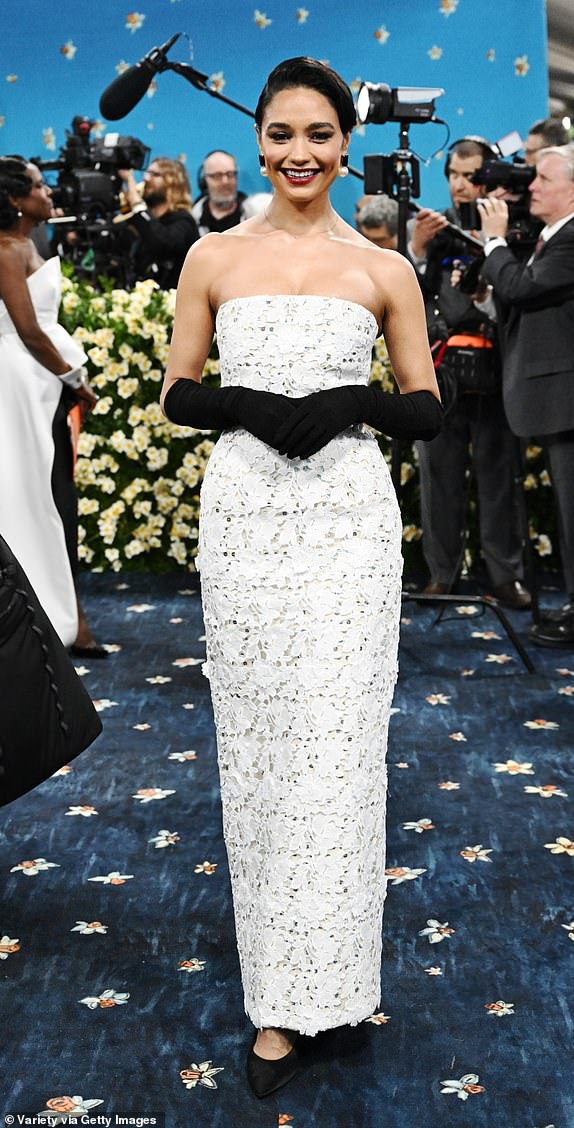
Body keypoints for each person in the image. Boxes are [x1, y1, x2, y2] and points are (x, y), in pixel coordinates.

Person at [160, 56, 442, 1098]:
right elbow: (177, 392)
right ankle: (277, 1005)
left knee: (341, 748)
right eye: (280, 134)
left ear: (344, 142)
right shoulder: (210, 257)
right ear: (259, 139)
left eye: (318, 135)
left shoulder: (384, 268)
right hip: (246, 521)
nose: (297, 154)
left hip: (344, 524)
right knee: (262, 749)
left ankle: (337, 981)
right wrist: (242, 404)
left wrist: (352, 404)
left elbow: (427, 403)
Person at [407, 138, 531, 609]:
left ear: (492, 178)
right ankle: (442, 572)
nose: (461, 185)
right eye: (454, 176)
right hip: (441, 373)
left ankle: (504, 575)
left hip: (499, 369)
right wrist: (415, 250)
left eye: (471, 176)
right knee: (439, 476)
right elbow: (408, 298)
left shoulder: (514, 230)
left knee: (500, 476)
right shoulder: (432, 228)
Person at [0, 156, 102, 654]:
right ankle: (42, 620)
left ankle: (63, 617)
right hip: (17, 384)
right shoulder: (6, 249)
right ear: (18, 200)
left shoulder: (27, 243)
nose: (49, 191)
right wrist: (75, 379)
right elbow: (29, 332)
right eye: (39, 185)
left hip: (39, 381)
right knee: (27, 493)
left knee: (52, 492)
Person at [480, 144, 574, 647]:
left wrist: (493, 245)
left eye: (543, 179)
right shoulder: (549, 237)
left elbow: (521, 288)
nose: (531, 187)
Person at [118, 157, 199, 288]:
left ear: (174, 183)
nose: (146, 179)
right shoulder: (139, 222)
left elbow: (161, 243)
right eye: (147, 173)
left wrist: (136, 201)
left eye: (155, 175)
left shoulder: (183, 221)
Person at [191, 149, 271, 235]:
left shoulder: (256, 214)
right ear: (204, 181)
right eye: (217, 176)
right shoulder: (192, 222)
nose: (225, 181)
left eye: (230, 174)